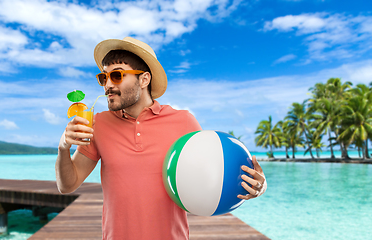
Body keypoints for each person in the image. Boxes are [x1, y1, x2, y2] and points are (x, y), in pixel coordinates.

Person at [56, 37, 267, 240]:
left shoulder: (184, 121)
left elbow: (213, 173)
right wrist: (63, 147)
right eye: (104, 77)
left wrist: (256, 186)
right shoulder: (98, 124)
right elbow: (67, 184)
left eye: (117, 75)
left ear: (144, 79)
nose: (108, 85)